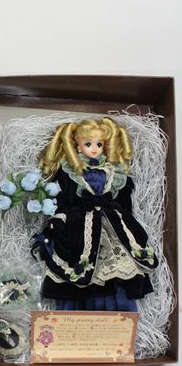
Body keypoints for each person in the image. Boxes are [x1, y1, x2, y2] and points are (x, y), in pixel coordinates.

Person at [31, 117, 158, 311]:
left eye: (99, 144)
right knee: (79, 264)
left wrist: (128, 221)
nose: (94, 149)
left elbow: (124, 202)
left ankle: (118, 315)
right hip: (79, 224)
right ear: (78, 146)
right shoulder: (69, 170)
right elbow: (63, 200)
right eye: (88, 144)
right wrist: (58, 218)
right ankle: (78, 315)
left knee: (117, 267)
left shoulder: (114, 171)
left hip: (111, 222)